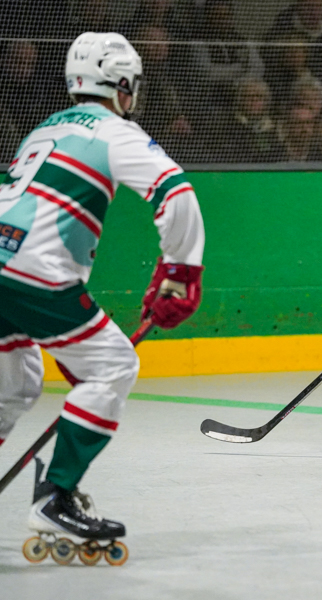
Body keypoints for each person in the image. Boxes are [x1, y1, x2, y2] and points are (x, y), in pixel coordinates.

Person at [0, 32, 205, 562]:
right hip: (35, 274)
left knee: (14, 381)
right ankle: (56, 496)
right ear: (120, 85)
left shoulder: (44, 127)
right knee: (112, 365)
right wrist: (180, 273)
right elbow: (175, 192)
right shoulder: (117, 132)